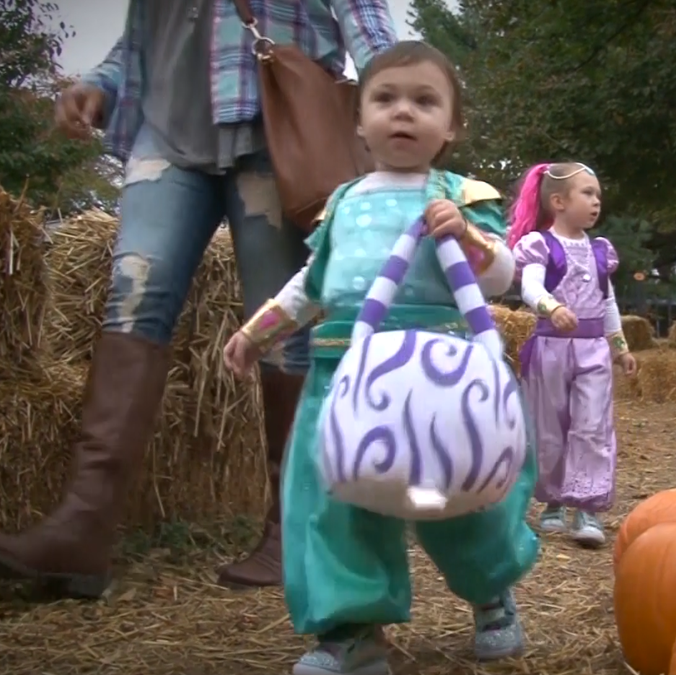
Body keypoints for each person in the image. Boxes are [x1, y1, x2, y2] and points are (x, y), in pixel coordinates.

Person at [0, 0, 398, 597]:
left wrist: (401, 102)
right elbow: (141, 39)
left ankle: (295, 530)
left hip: (280, 124)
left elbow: (368, 26)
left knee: (279, 321)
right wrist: (99, 85)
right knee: (134, 299)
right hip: (166, 128)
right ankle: (81, 529)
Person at [222, 41, 538, 675]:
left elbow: (503, 275)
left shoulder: (461, 194)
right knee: (337, 502)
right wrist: (259, 331)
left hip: (443, 380)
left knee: (462, 492)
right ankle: (354, 630)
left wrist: (468, 236)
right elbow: (313, 284)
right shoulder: (342, 202)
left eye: (424, 101)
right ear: (358, 119)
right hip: (344, 376)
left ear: (452, 125)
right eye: (385, 99)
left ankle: (490, 591)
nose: (403, 113)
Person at [508, 162, 637, 549]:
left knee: (592, 424)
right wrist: (551, 307)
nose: (597, 202)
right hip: (551, 348)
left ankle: (586, 506)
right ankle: (552, 500)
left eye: (598, 195)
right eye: (588, 193)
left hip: (593, 349)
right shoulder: (540, 245)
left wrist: (620, 347)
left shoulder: (600, 252)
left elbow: (608, 301)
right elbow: (529, 286)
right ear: (558, 201)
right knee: (549, 427)